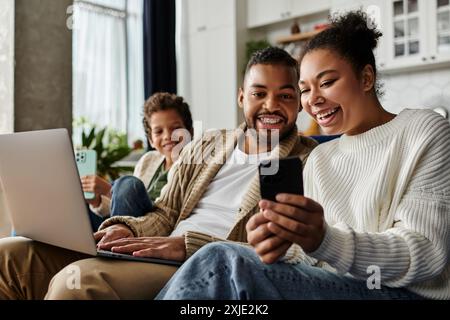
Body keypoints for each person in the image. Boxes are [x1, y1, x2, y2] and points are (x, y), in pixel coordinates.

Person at [156, 11, 450, 300]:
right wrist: (278, 245)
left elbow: (424, 254)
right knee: (220, 257)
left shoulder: (423, 131)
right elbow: (315, 259)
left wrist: (324, 239)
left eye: (326, 83)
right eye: (305, 90)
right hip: (337, 285)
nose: (313, 100)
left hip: (401, 293)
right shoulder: (321, 159)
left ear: (366, 77)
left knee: (222, 261)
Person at [0, 47, 317, 300]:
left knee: (78, 283)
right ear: (241, 97)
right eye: (258, 93)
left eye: (285, 96)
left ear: (299, 103)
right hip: (154, 249)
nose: (271, 105)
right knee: (8, 255)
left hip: (195, 266)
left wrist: (188, 245)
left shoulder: (308, 160)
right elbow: (165, 210)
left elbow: (292, 252)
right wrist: (128, 229)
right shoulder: (207, 144)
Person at [83, 92, 194, 230]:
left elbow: (169, 214)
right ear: (151, 140)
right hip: (129, 223)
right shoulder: (148, 160)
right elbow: (126, 206)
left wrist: (109, 190)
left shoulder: (194, 166)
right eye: (158, 132)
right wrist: (97, 201)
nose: (167, 136)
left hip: (155, 229)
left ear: (190, 132)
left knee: (128, 184)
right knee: (80, 201)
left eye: (176, 128)